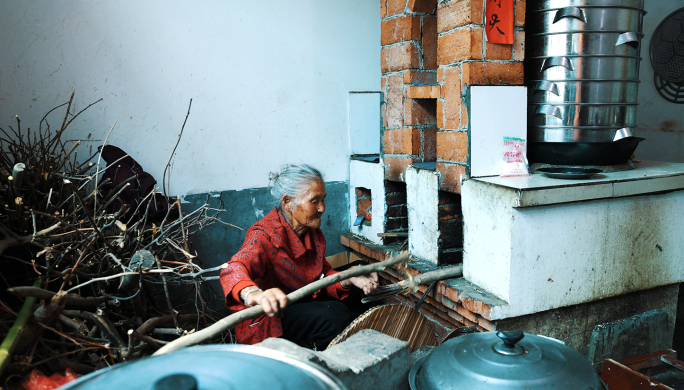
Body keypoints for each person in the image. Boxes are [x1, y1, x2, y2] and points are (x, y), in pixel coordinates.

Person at [219, 164, 378, 349]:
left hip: (304, 298)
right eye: (314, 201)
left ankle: (350, 335)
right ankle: (322, 356)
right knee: (334, 314)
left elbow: (321, 275)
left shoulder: (310, 231)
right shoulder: (263, 235)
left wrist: (347, 279)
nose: (322, 208)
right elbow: (233, 268)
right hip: (272, 316)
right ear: (287, 202)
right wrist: (255, 295)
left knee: (361, 270)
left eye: (323, 199)